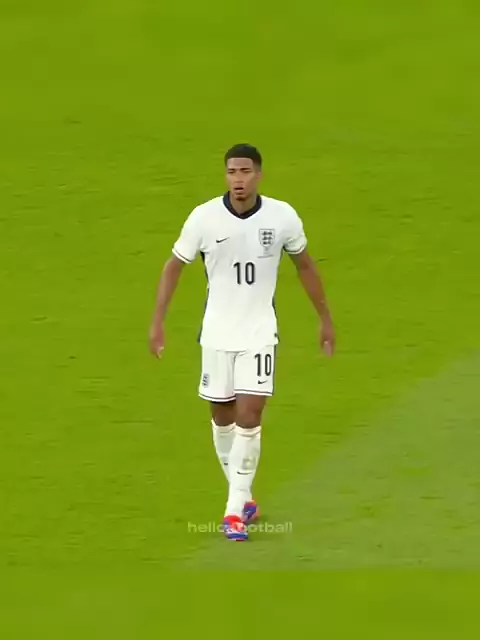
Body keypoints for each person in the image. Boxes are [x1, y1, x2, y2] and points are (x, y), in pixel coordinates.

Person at [149, 143, 335, 541]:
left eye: (245, 171)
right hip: (217, 334)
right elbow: (174, 266)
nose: (238, 180)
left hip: (259, 333)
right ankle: (245, 498)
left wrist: (325, 319)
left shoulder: (282, 217)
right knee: (222, 418)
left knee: (250, 415)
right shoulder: (204, 218)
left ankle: (233, 512)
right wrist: (158, 321)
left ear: (259, 175)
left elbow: (304, 265)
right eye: (232, 172)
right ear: (226, 175)